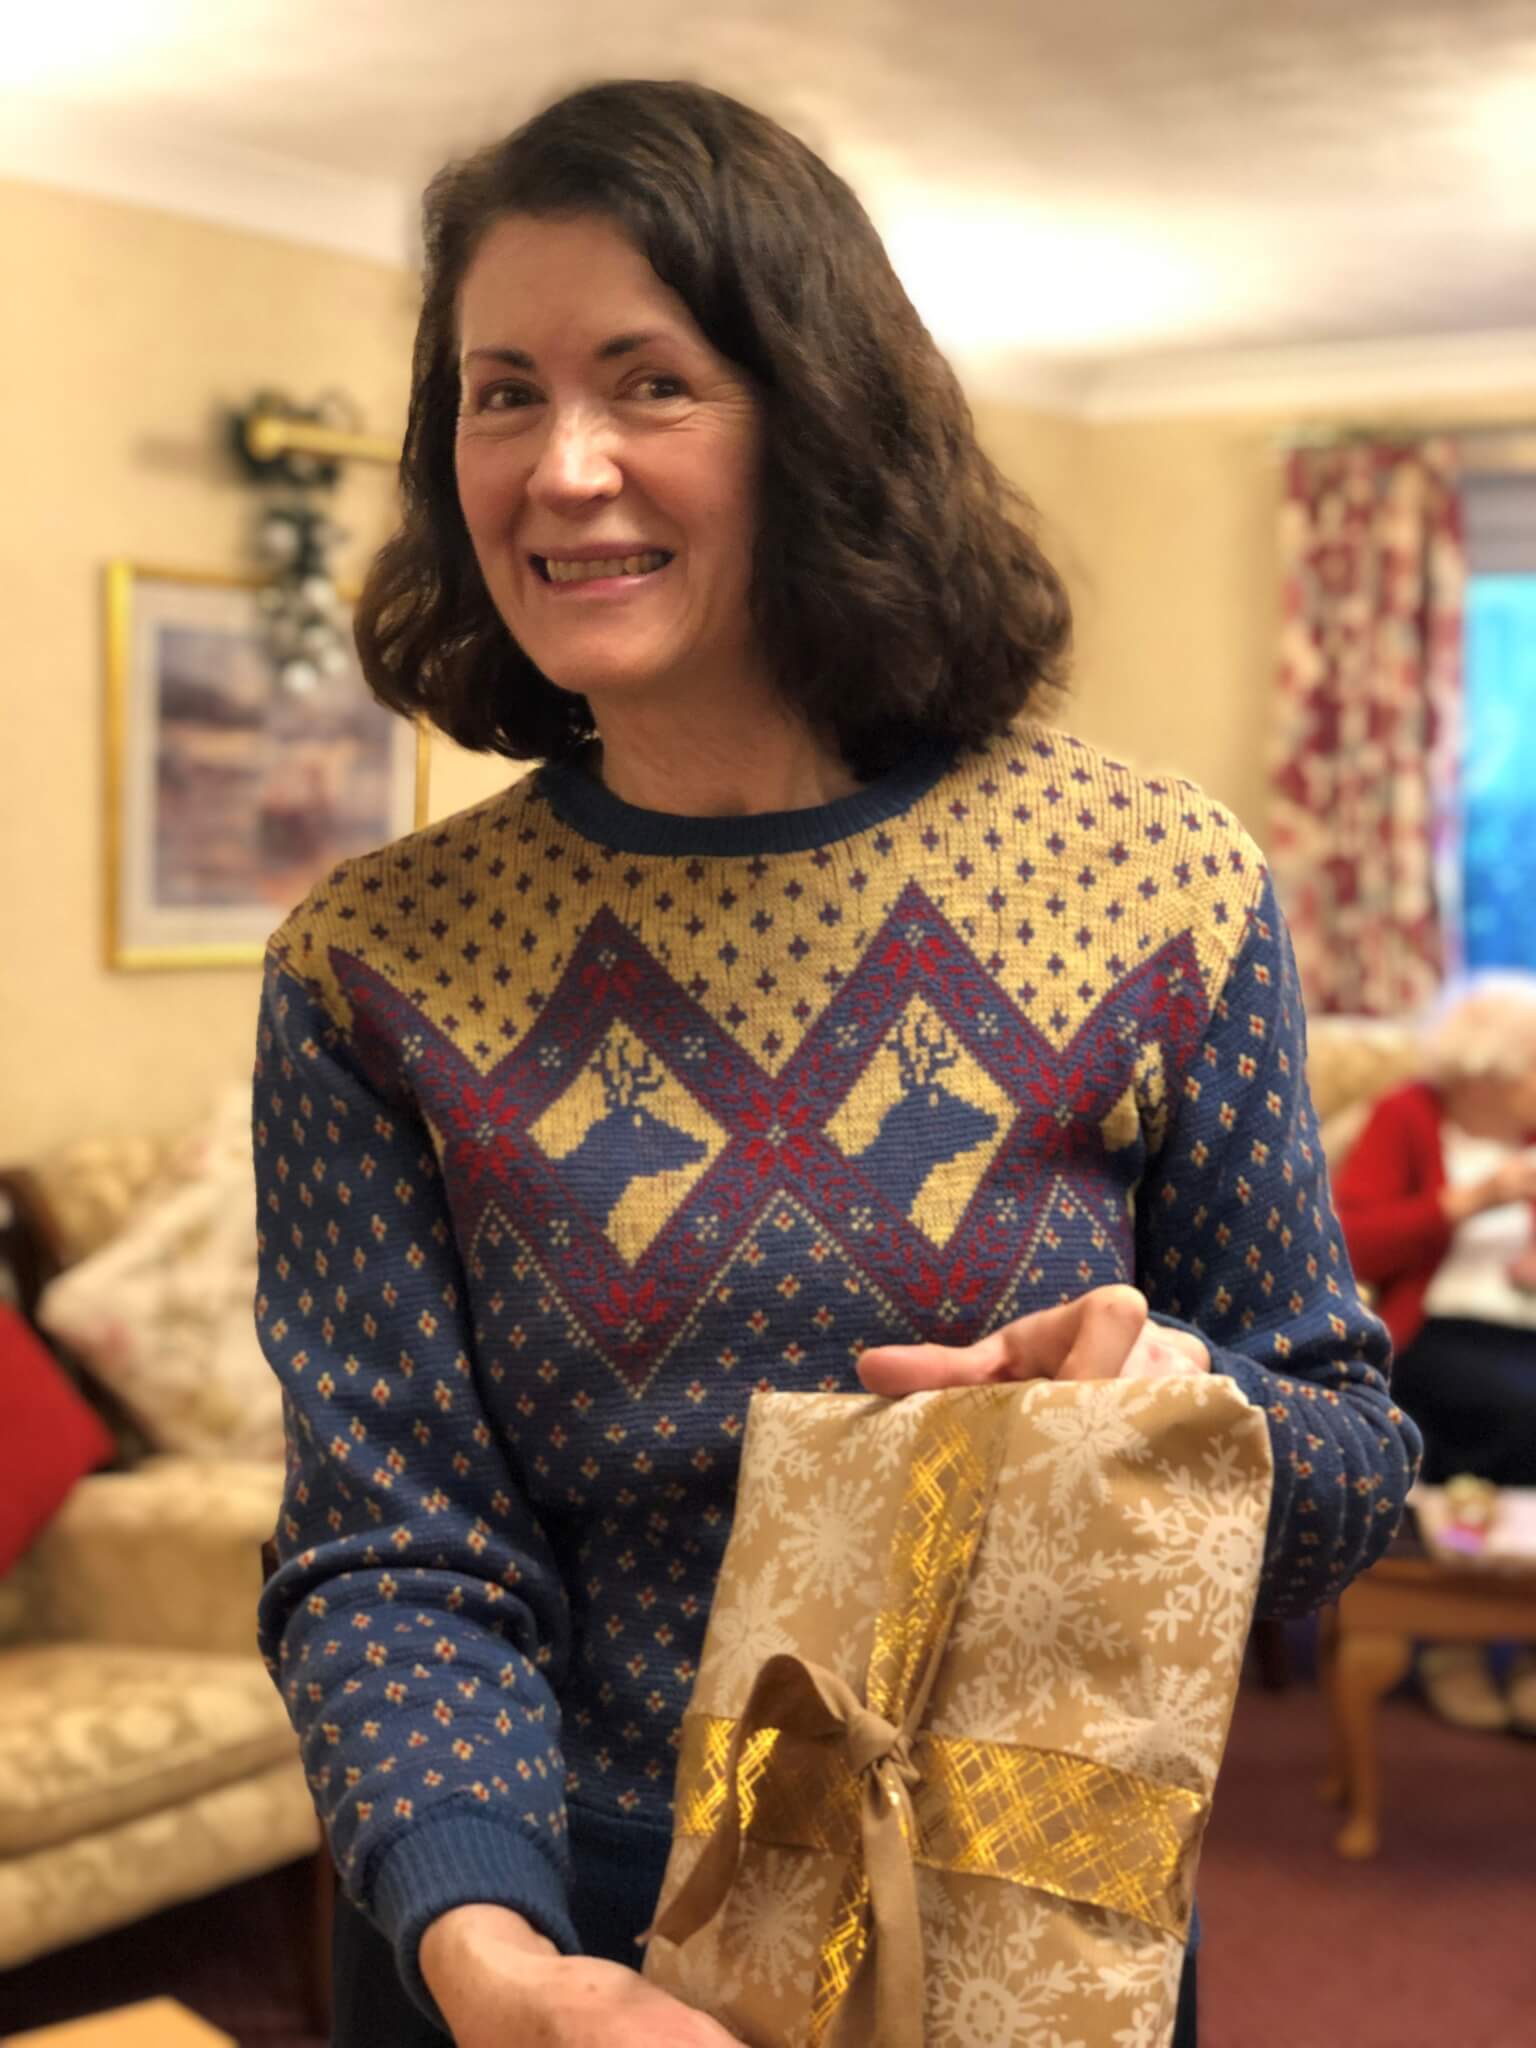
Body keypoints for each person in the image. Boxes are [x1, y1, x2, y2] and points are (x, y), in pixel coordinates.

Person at [253, 79, 1421, 2048]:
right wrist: (499, 1962)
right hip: (543, 1946)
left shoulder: (1159, 887)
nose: (563, 467)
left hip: (1017, 1933)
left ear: (816, 414)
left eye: (651, 382)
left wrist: (1176, 1412)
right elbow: (391, 1550)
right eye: (502, 393)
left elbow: (1348, 1470)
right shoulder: (370, 967)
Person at [1335, 977, 1536, 1734]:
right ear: (1492, 1072)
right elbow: (1353, 1244)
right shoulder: (1408, 1116)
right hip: (1437, 1330)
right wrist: (1474, 1200)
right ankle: (1455, 1639)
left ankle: (1526, 1643)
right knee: (1504, 1404)